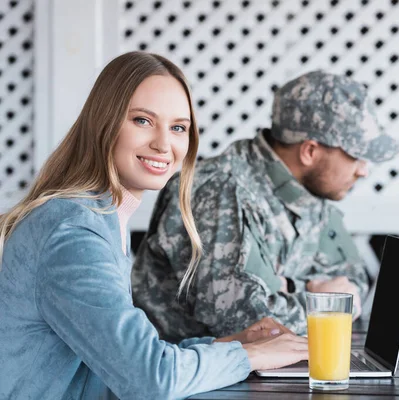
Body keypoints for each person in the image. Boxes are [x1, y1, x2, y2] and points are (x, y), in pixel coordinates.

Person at [0, 51, 307, 400]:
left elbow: (113, 362)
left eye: (178, 128)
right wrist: (251, 355)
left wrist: (231, 344)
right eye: (143, 121)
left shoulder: (97, 217)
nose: (164, 144)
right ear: (105, 122)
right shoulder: (73, 232)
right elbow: (149, 378)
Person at [132, 70, 399, 340]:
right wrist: (325, 302)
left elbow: (352, 281)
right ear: (309, 151)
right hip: (194, 373)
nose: (364, 171)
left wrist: (295, 287)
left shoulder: (310, 193)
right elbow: (246, 323)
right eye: (356, 156)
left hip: (265, 368)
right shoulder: (221, 189)